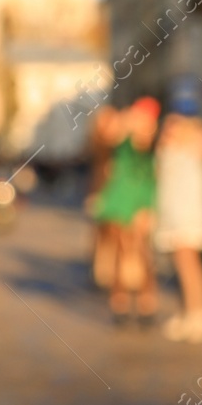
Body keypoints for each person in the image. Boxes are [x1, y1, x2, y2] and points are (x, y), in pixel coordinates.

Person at [96, 97, 161, 325]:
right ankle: (120, 301)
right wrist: (125, 121)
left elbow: (152, 181)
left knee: (142, 255)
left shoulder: (153, 147)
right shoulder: (123, 142)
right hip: (119, 203)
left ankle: (145, 302)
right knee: (121, 253)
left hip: (140, 204)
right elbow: (105, 130)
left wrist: (148, 209)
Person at [155, 112, 202, 341]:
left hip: (185, 221)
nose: (167, 133)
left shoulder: (188, 156)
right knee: (182, 270)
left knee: (189, 268)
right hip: (176, 220)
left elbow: (188, 196)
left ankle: (198, 313)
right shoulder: (174, 156)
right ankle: (190, 312)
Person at [86, 106, 123, 291]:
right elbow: (98, 174)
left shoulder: (121, 146)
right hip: (103, 193)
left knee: (118, 236)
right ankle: (102, 274)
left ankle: (114, 274)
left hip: (118, 196)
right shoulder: (99, 146)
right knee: (103, 235)